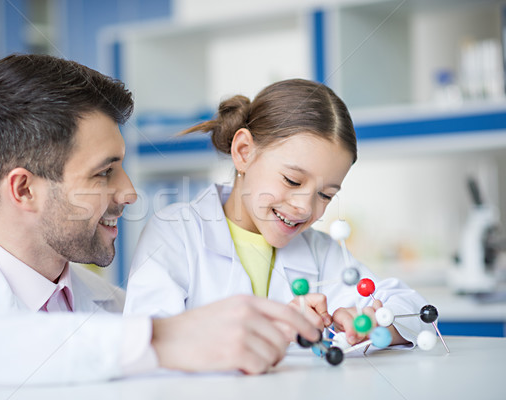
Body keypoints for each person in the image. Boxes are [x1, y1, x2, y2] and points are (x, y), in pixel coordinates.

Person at [0, 55, 322, 393]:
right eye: (104, 172)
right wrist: (160, 340)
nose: (129, 193)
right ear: (24, 190)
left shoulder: (114, 306)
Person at [124, 79, 431, 347]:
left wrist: (379, 325)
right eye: (292, 180)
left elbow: (419, 312)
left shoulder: (320, 252)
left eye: (325, 195)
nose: (304, 207)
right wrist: (275, 328)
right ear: (244, 152)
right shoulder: (176, 233)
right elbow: (146, 339)